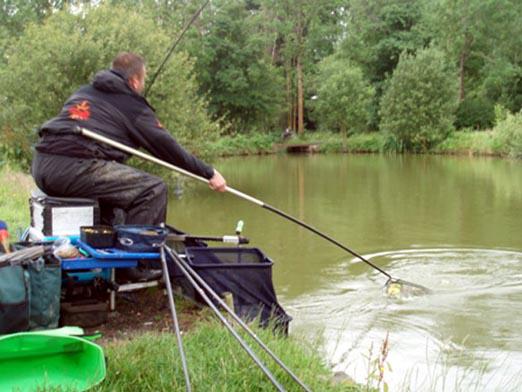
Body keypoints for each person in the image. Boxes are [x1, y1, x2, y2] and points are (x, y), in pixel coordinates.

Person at [32, 52, 226, 227]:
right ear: (134, 81)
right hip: (75, 168)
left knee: (117, 201)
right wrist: (208, 173)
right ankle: (138, 265)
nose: (142, 86)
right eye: (143, 80)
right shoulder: (133, 106)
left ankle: (111, 252)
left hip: (41, 166)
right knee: (153, 190)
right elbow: (167, 147)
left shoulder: (83, 92)